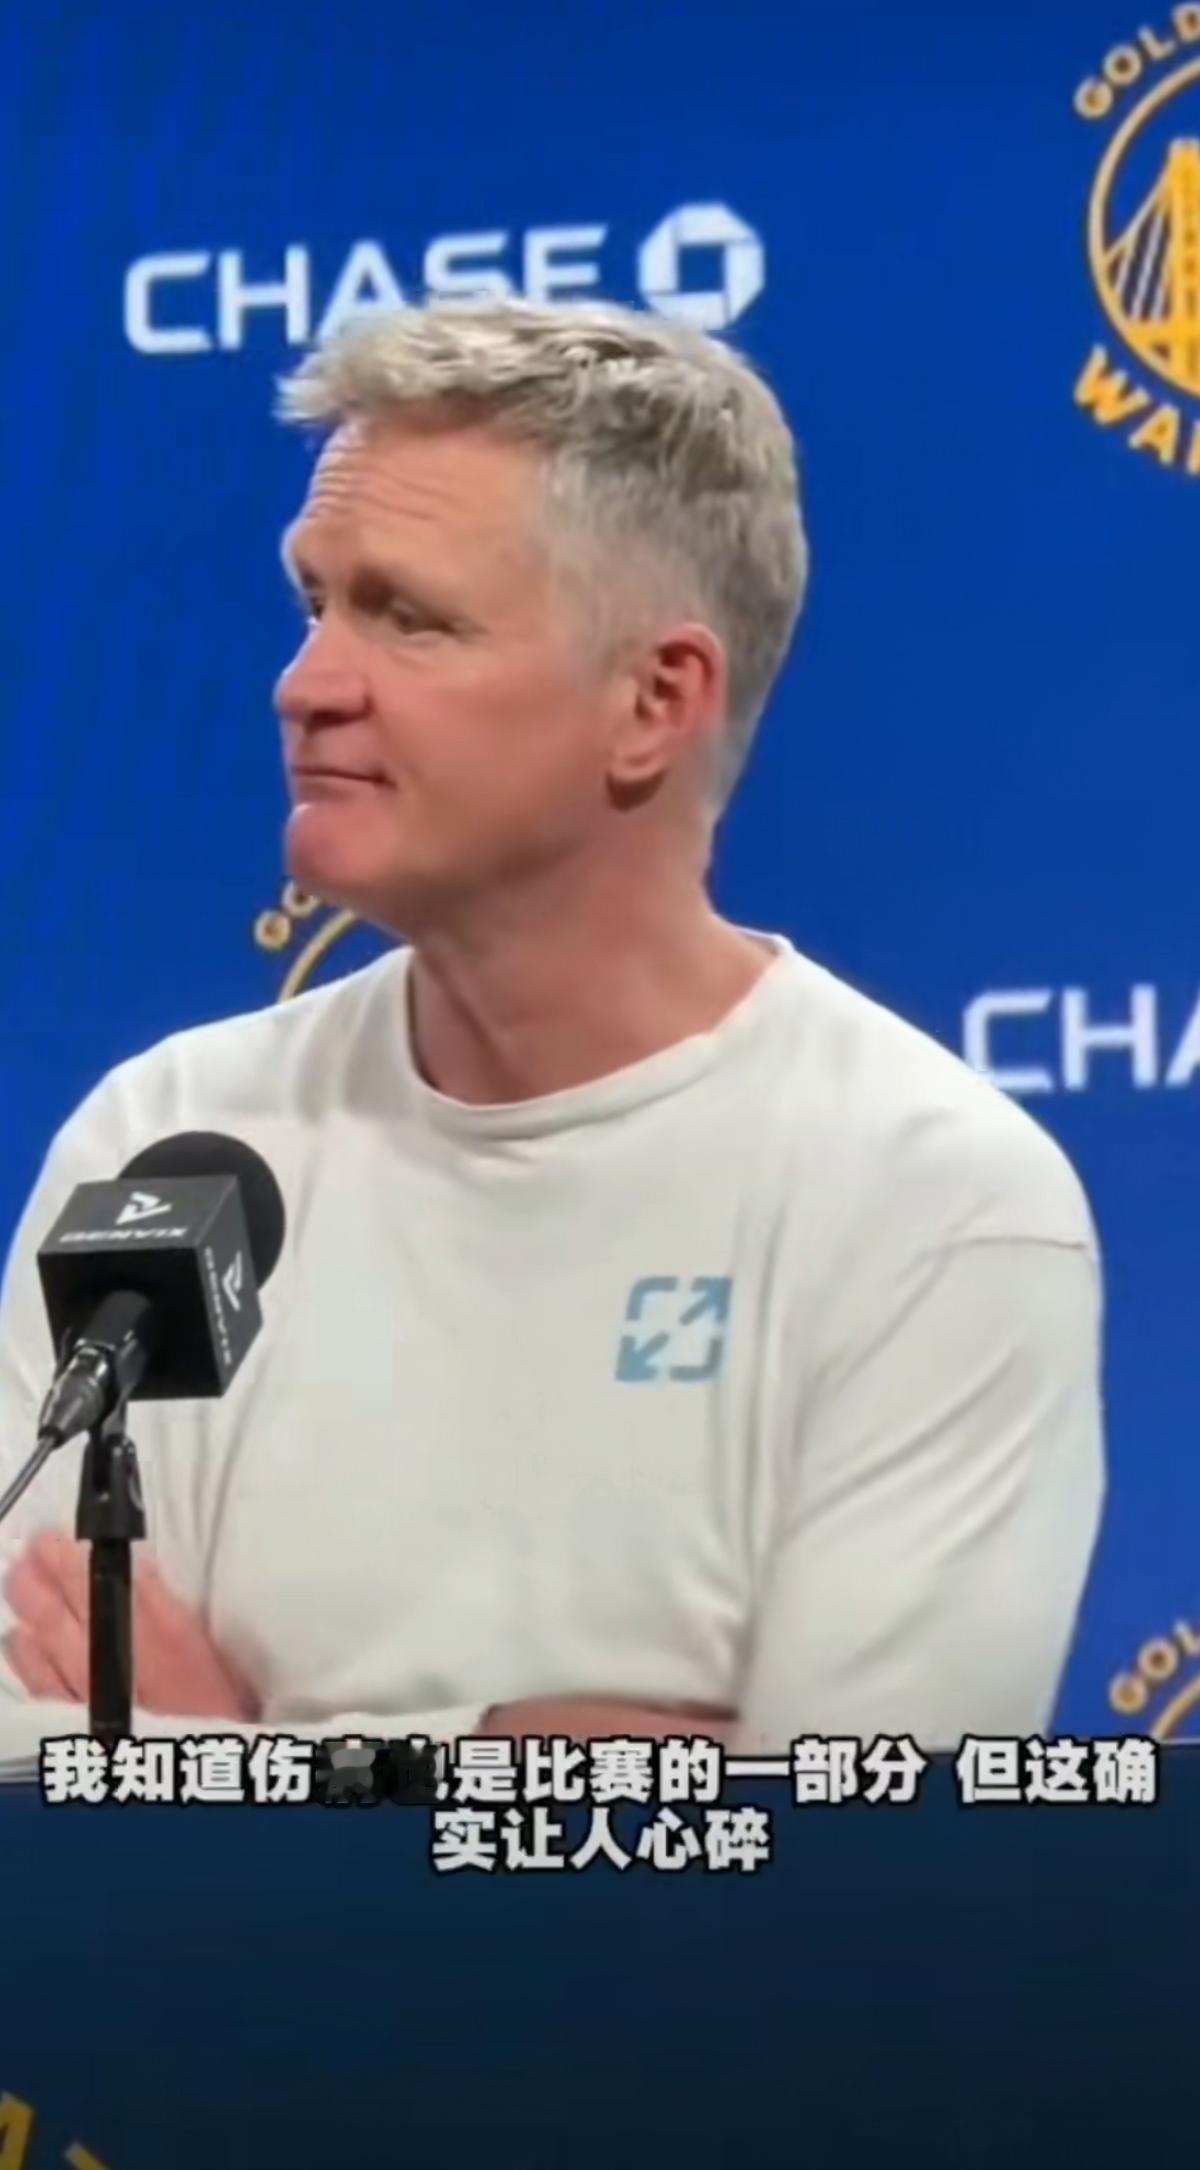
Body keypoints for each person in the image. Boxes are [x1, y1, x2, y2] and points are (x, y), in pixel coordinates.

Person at [0, 299, 1103, 1757]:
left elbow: (848, 1853)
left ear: (653, 700)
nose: (306, 684)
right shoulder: (175, 1143)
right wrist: (483, 1748)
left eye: (408, 617)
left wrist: (229, 1763)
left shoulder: (931, 1204)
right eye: (314, 602)